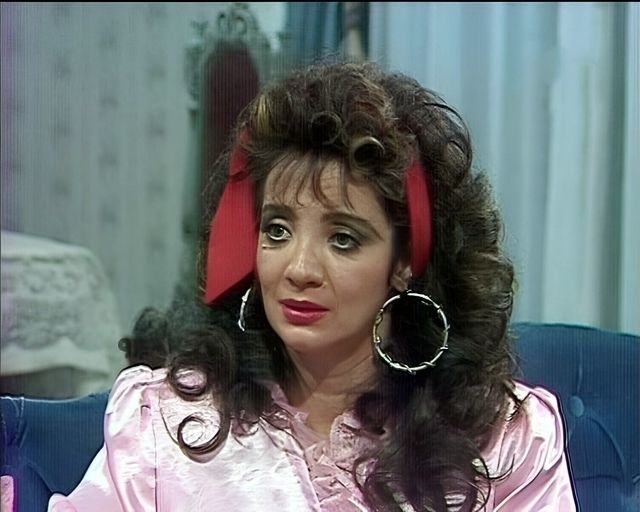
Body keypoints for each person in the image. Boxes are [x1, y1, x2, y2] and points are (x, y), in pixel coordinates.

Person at [48, 61, 577, 511]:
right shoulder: (165, 422)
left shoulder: (504, 439)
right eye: (277, 231)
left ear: (403, 263)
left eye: (343, 239)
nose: (298, 268)